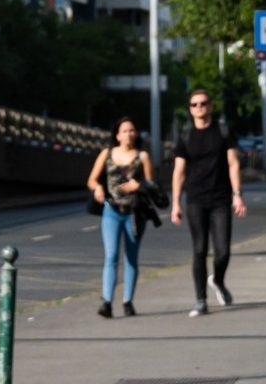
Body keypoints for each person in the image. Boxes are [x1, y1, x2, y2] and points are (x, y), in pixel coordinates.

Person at [169, 89, 249, 317]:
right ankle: (200, 300)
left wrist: (237, 194)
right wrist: (176, 203)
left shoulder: (223, 132)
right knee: (199, 250)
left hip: (221, 198)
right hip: (195, 199)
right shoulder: (185, 137)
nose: (199, 108)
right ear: (190, 110)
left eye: (203, 103)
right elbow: (179, 172)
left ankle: (219, 281)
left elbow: (233, 164)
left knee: (222, 251)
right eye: (194, 105)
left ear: (211, 106)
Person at [85, 119, 156, 318]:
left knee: (131, 258)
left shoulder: (143, 156)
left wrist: (139, 185)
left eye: (132, 130)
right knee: (111, 255)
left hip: (134, 213)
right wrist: (98, 188)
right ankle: (107, 302)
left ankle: (127, 301)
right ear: (117, 135)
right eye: (124, 130)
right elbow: (91, 179)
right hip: (111, 211)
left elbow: (152, 185)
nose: (128, 134)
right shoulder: (106, 154)